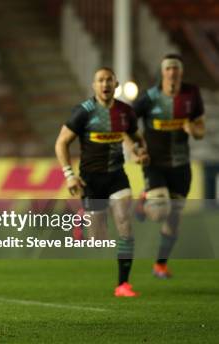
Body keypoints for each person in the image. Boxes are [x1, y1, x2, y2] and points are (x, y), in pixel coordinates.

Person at [55, 67, 149, 297]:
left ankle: (123, 284)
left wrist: (138, 152)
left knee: (125, 225)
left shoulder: (126, 112)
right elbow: (61, 143)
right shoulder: (84, 112)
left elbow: (134, 137)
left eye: (109, 80)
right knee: (98, 239)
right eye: (100, 80)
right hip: (91, 178)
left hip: (117, 175)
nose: (105, 84)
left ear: (116, 84)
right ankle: (81, 218)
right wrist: (69, 174)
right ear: (94, 86)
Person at [133, 54, 205, 279]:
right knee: (158, 213)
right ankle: (145, 199)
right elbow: (126, 123)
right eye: (168, 68)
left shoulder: (191, 94)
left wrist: (192, 129)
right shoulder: (149, 97)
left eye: (176, 68)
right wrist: (137, 148)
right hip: (155, 163)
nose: (172, 72)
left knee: (174, 218)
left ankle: (160, 265)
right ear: (162, 73)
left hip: (181, 165)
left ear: (181, 72)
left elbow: (201, 129)